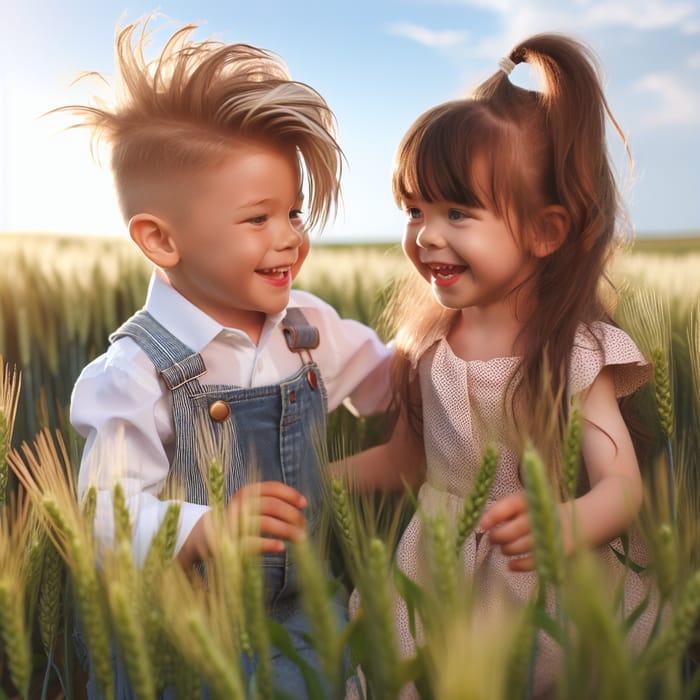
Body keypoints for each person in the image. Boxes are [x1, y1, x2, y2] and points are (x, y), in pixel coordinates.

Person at [64, 17, 392, 699]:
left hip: (304, 622)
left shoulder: (308, 327)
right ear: (160, 239)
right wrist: (205, 527)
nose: (290, 240)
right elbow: (104, 514)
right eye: (258, 219)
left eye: (295, 214)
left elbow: (398, 381)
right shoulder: (136, 373)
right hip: (181, 641)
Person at [343, 32, 655, 697]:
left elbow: (622, 488)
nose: (426, 236)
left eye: (458, 212)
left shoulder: (572, 355)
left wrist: (564, 523)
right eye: (414, 210)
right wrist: (317, 473)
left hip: (534, 577)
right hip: (433, 572)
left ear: (545, 232)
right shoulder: (424, 346)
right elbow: (410, 460)